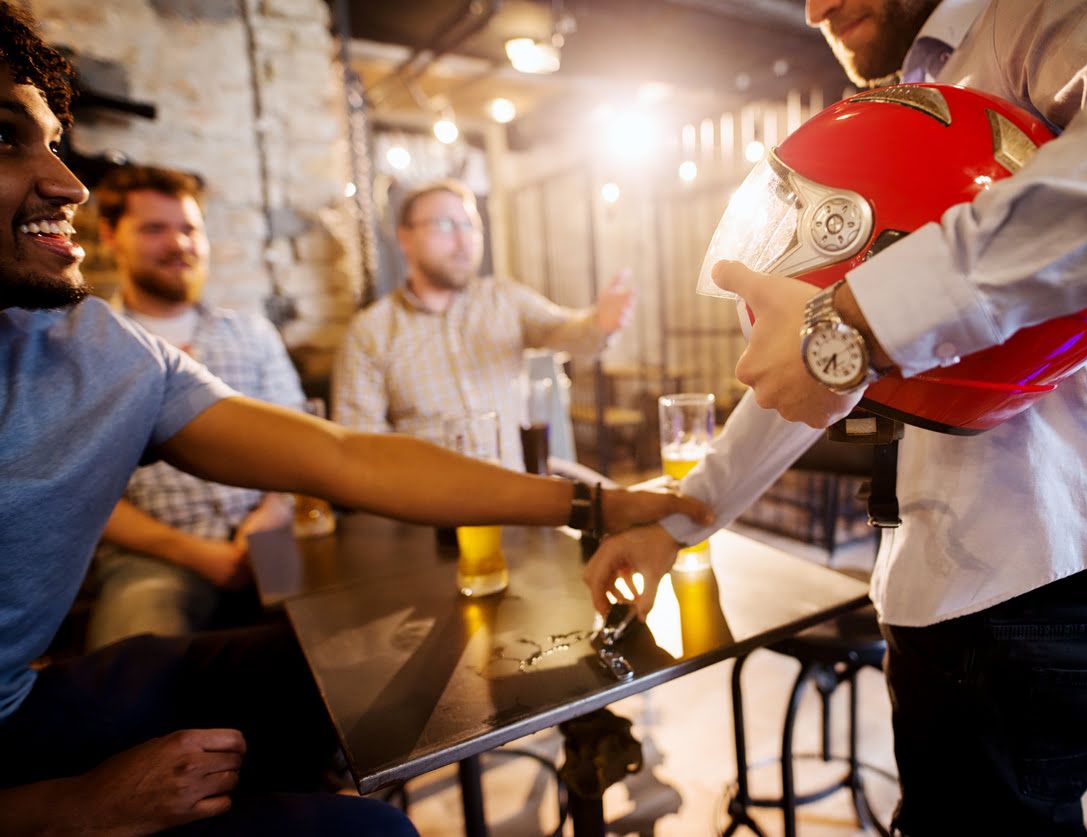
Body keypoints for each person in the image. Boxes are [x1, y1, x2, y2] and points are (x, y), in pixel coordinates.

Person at [0, 6, 711, 834]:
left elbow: (345, 455)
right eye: (6, 138)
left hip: (43, 686)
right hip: (98, 663)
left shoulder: (99, 347)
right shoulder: (368, 331)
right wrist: (69, 806)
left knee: (335, 665)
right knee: (374, 818)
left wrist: (596, 501)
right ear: (406, 238)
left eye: (52, 141)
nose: (69, 184)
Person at [583, 0, 1087, 834]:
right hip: (948, 595)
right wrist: (685, 518)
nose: (816, 8)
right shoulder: (921, 92)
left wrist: (856, 322)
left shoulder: (1032, 16)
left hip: (1026, 595)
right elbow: (824, 370)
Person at [86, 164, 306, 649]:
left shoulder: (249, 333)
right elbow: (80, 491)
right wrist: (195, 553)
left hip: (268, 535)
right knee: (135, 663)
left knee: (342, 640)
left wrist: (270, 516)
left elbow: (299, 444)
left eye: (189, 228)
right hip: (155, 554)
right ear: (110, 236)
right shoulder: (88, 350)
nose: (178, 243)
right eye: (154, 229)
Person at [333, 178, 635, 472]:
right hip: (430, 500)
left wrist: (599, 322)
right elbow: (361, 447)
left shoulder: (504, 299)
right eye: (444, 225)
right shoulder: (370, 332)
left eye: (470, 226)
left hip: (514, 489)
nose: (463, 240)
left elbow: (565, 331)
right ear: (405, 238)